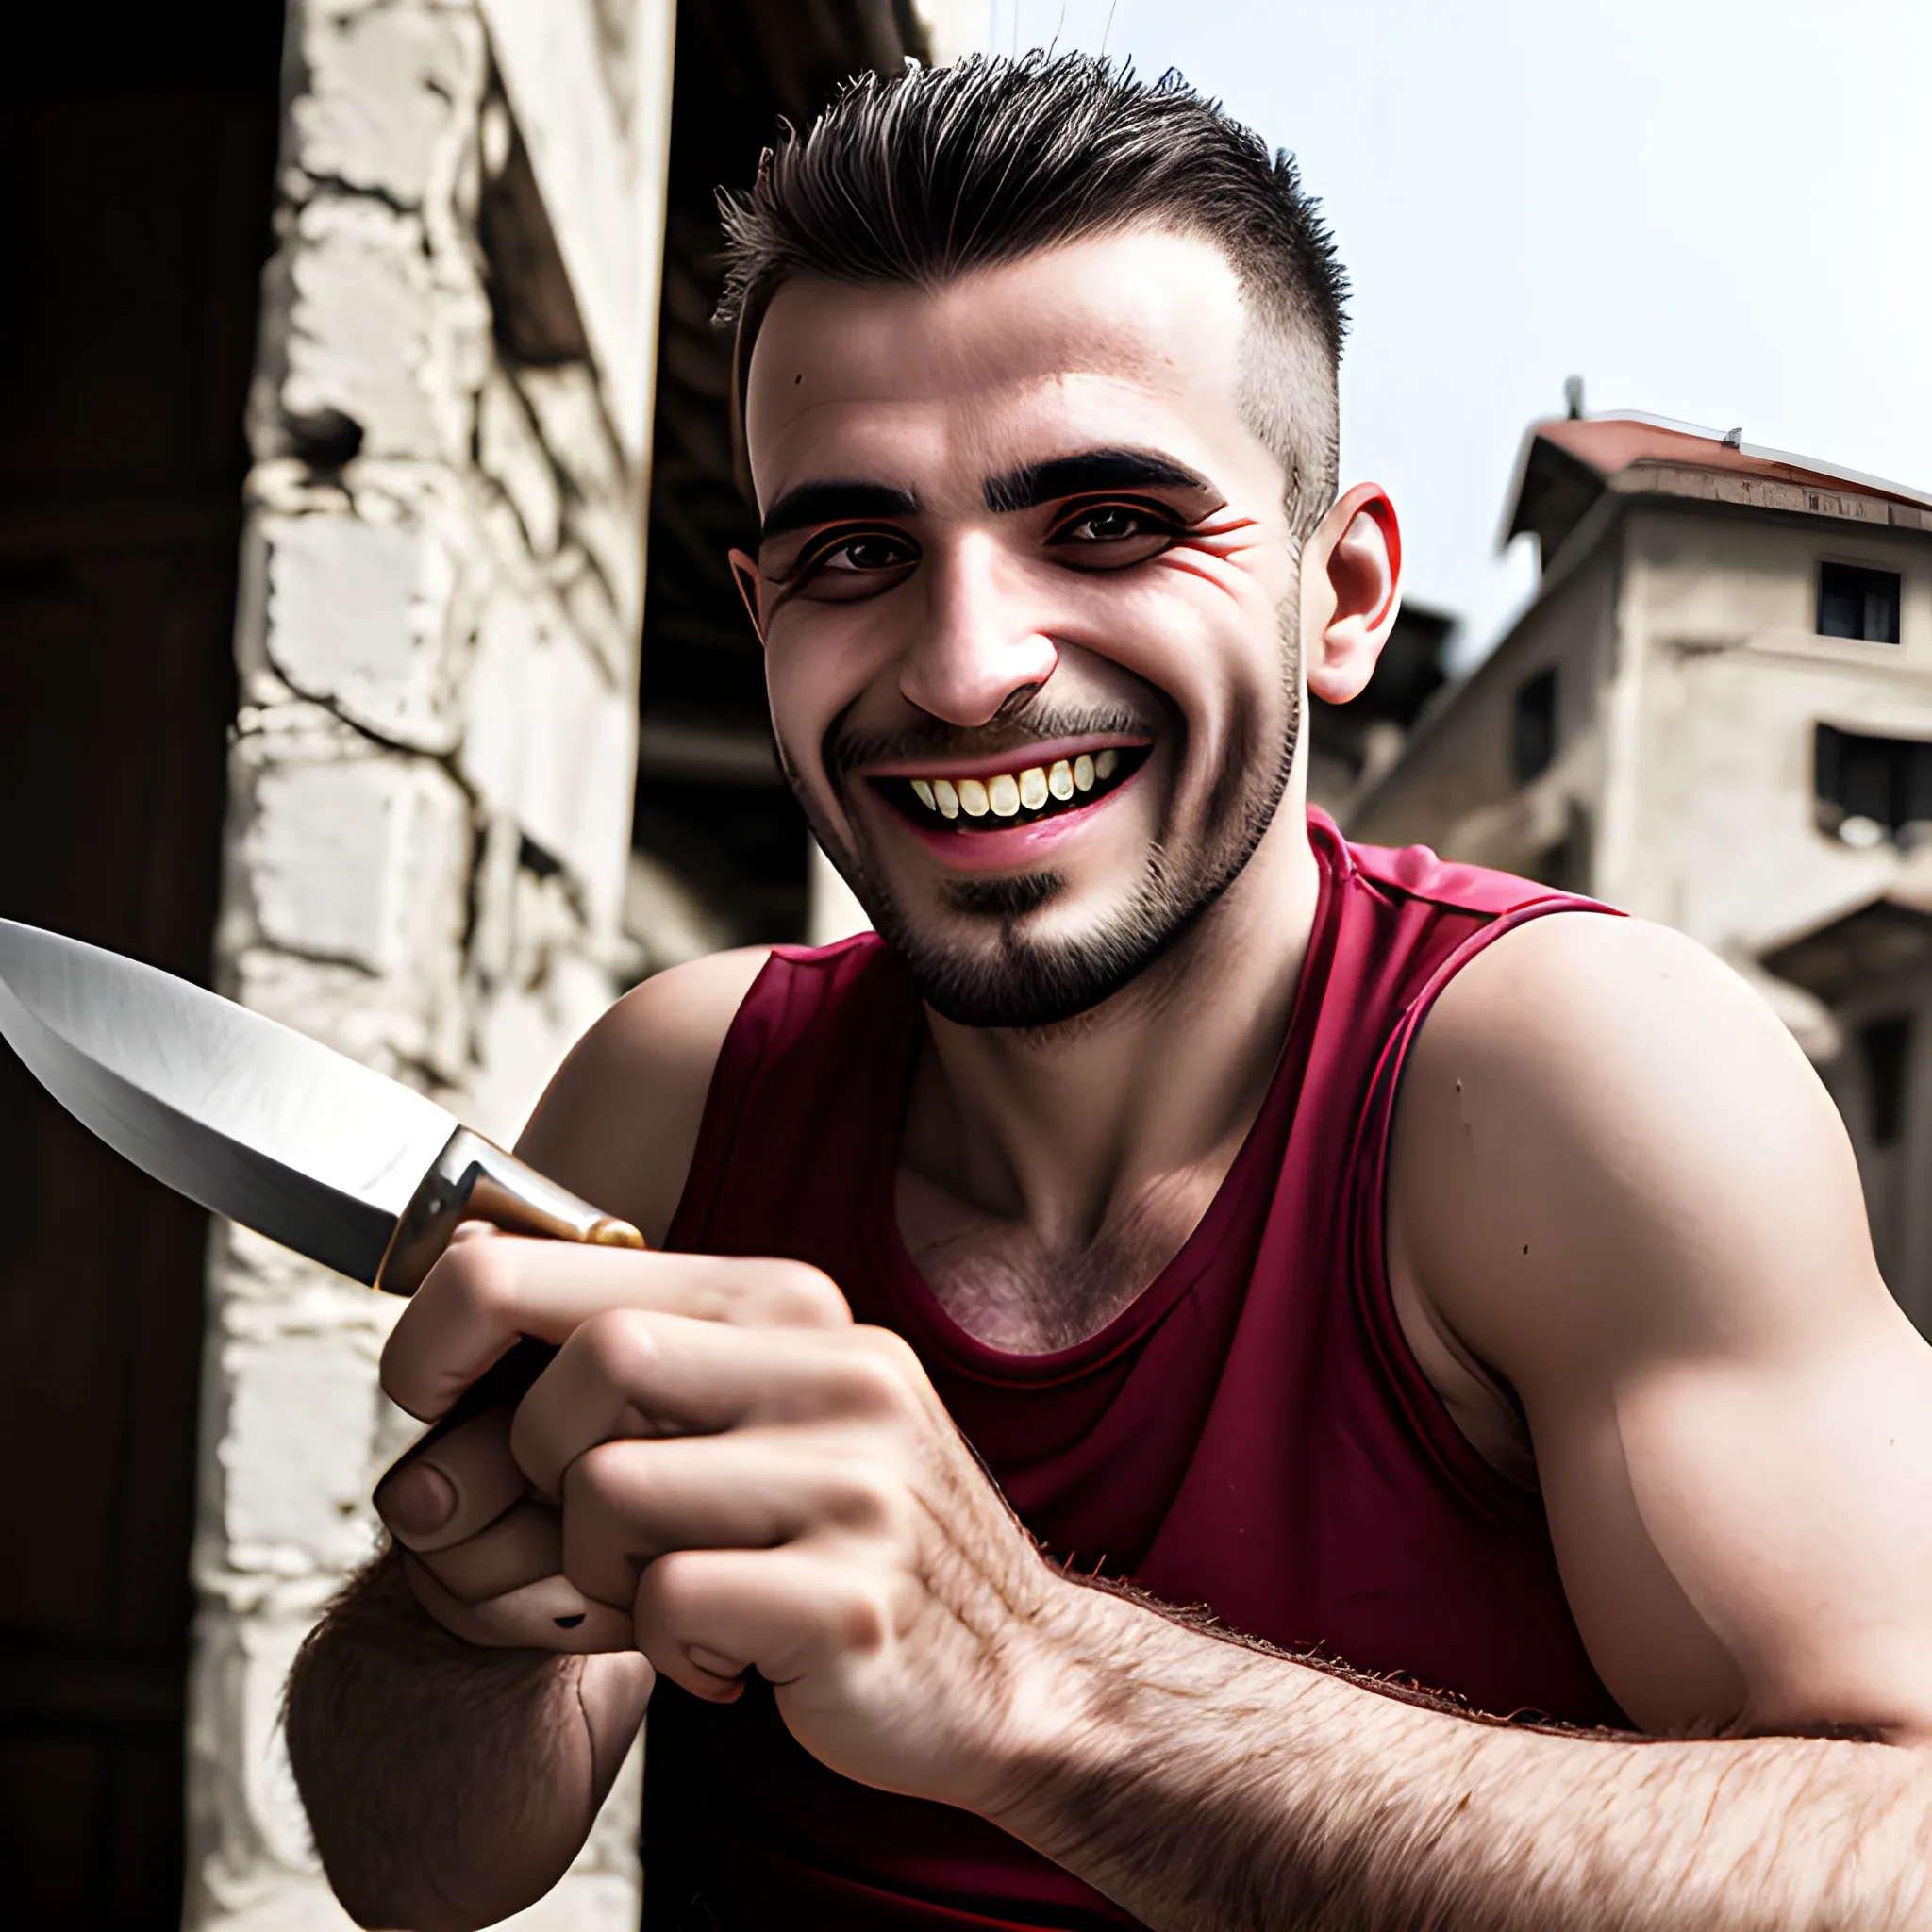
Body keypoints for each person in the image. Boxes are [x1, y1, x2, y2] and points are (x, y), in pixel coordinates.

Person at [285, 52, 1932, 1932]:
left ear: (1343, 591)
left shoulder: (1572, 1082)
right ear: (762, 622)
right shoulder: (678, 1092)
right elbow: (413, 1876)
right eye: (855, 551)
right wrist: (455, 1613)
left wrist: (1035, 1685)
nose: (969, 667)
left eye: (1110, 524)